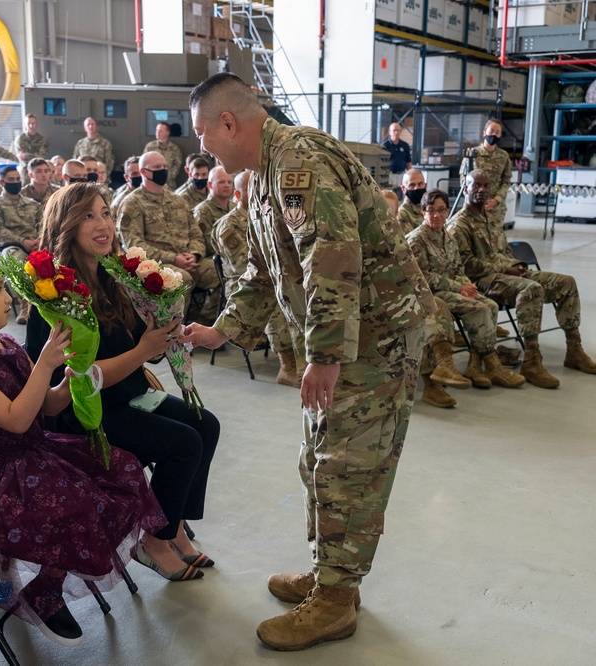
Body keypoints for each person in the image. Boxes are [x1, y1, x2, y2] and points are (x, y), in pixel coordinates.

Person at [183, 73, 435, 651]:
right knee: (319, 458)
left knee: (347, 466)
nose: (201, 149)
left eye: (203, 133)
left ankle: (337, 600)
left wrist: (322, 355)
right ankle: (330, 577)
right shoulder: (264, 174)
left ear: (229, 123)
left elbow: (331, 258)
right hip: (351, 338)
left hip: (374, 340)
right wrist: (222, 330)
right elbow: (268, 269)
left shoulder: (297, 162)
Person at [0, 245, 165, 646]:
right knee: (72, 507)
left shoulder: (6, 344)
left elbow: (46, 406)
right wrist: (43, 363)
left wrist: (73, 377)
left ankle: (41, 588)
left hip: (33, 453)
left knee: (121, 468)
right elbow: (15, 419)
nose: (9, 297)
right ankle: (7, 593)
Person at [26, 183, 219, 583]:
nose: (103, 225)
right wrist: (144, 349)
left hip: (128, 394)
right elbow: (77, 379)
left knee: (206, 424)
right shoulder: (56, 294)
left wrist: (166, 332)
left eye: (106, 213)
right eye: (88, 216)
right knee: (184, 444)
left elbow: (138, 344)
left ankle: (174, 526)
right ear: (67, 225)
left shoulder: (114, 276)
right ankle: (155, 539)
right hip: (85, 412)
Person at [447, 170, 596, 388]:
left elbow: (505, 252)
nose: (481, 190)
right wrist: (507, 269)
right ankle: (532, 362)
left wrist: (516, 266)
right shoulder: (459, 224)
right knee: (532, 289)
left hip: (506, 275)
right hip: (482, 282)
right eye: (475, 185)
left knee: (566, 282)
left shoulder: (492, 219)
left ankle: (574, 350)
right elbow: (466, 265)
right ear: (465, 188)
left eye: (485, 185)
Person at [406, 189, 524, 407]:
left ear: (448, 211)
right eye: (431, 210)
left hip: (451, 289)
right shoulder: (416, 240)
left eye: (441, 210)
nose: (437, 215)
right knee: (477, 308)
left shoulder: (448, 238)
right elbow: (422, 276)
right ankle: (489, 362)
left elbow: (458, 268)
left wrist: (465, 285)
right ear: (423, 213)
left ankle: (477, 363)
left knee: (490, 304)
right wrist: (457, 287)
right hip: (430, 293)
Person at [212, 171, 303, 387]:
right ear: (237, 194)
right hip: (242, 282)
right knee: (276, 299)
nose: (258, 192)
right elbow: (245, 264)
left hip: (275, 276)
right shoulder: (229, 225)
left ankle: (305, 360)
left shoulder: (265, 214)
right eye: (251, 188)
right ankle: (287, 366)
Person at [117, 151, 219, 323]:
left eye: (164, 167)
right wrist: (174, 258)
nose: (163, 171)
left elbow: (196, 234)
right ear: (143, 172)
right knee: (181, 280)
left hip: (189, 260)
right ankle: (173, 337)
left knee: (223, 271)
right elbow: (134, 245)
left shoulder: (177, 201)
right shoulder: (132, 204)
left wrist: (194, 254)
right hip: (156, 264)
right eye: (157, 168)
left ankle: (202, 323)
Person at [0, 165, 43, 323]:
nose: (15, 182)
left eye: (18, 179)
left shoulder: (33, 204)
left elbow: (43, 226)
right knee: (16, 258)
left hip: (37, 244)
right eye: (11, 180)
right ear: (2, 182)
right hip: (10, 245)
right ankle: (25, 305)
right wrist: (23, 241)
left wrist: (39, 241)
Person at [472, 119, 513, 225]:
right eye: (492, 131)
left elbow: (506, 180)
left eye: (497, 132)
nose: (494, 134)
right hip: (475, 206)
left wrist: (496, 200)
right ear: (484, 132)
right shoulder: (473, 154)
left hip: (496, 209)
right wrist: (478, 199)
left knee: (495, 240)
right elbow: (464, 181)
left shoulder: (503, 156)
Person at [192, 165, 234, 254]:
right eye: (221, 182)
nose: (227, 185)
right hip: (216, 257)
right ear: (210, 185)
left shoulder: (234, 207)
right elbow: (208, 244)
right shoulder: (202, 211)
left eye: (229, 182)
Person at [144, 121, 184, 189]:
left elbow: (177, 165)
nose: (157, 132)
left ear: (167, 133)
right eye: (156, 130)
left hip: (169, 185)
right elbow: (144, 163)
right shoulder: (150, 147)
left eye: (160, 131)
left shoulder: (174, 148)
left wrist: (167, 175)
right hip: (152, 183)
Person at [381, 122, 412, 189]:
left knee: (401, 193)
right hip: (389, 175)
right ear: (389, 132)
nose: (396, 132)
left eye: (398, 130)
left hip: (402, 175)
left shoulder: (405, 145)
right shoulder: (385, 146)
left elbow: (408, 161)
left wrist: (410, 174)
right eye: (394, 130)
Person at [396, 168, 426, 233]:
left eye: (420, 184)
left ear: (425, 185)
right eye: (412, 185)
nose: (417, 188)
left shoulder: (429, 208)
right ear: (403, 189)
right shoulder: (402, 214)